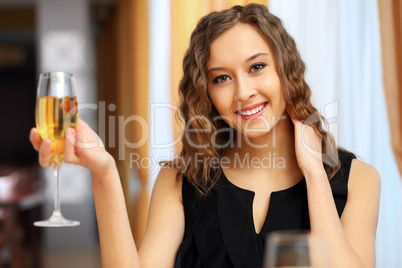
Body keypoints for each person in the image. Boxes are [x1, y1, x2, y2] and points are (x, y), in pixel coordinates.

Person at [29, 3, 380, 268]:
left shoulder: (358, 181)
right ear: (207, 93)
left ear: (286, 72)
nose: (243, 92)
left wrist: (316, 176)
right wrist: (104, 172)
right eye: (222, 78)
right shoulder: (180, 180)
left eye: (257, 67)